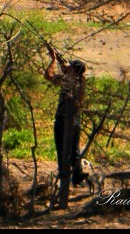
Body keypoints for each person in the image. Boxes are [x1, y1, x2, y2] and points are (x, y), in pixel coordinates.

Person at [44, 45, 88, 205]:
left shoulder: (68, 81)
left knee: (62, 150)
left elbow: (48, 76)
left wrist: (53, 60)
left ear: (74, 70)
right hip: (75, 120)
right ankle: (77, 176)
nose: (66, 66)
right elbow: (66, 71)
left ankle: (65, 177)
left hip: (63, 120)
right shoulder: (79, 81)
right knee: (75, 150)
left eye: (70, 66)